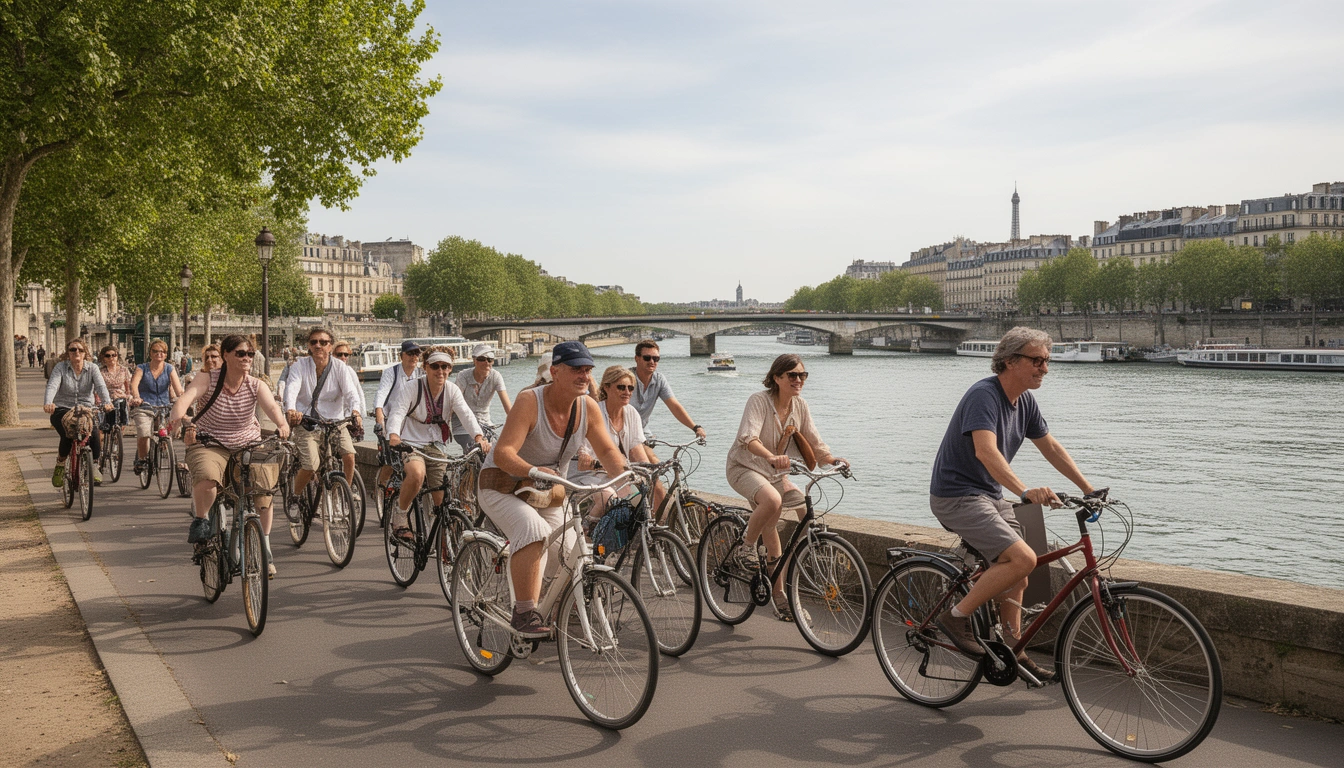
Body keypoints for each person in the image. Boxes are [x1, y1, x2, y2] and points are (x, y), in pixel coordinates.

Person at [928, 327, 1097, 682]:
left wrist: (1088, 487)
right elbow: (985, 451)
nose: (1044, 369)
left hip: (988, 495)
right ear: (1009, 361)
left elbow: (1050, 446)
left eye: (1046, 361)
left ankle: (1013, 651)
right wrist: (1023, 491)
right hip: (956, 495)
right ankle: (955, 618)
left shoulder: (1025, 401)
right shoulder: (983, 395)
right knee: (1022, 558)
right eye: (1036, 361)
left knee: (1020, 572)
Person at [478, 341, 628, 637]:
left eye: (588, 370)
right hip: (502, 485)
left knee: (574, 553)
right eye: (576, 369)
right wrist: (534, 470)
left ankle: (554, 605)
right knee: (533, 531)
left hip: (548, 492)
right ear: (555, 371)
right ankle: (523, 613)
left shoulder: (587, 407)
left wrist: (629, 484)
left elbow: (609, 453)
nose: (584, 376)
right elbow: (504, 453)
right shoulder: (529, 401)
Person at [725, 353, 846, 621]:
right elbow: (749, 438)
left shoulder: (799, 406)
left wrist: (832, 459)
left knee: (804, 511)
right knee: (772, 502)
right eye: (792, 375)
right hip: (745, 467)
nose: (799, 379)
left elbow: (815, 442)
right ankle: (745, 548)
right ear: (777, 377)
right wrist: (769, 457)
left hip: (774, 474)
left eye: (802, 375)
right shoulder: (759, 401)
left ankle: (780, 595)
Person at [170, 335, 290, 576]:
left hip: (247, 443)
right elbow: (187, 397)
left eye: (250, 354)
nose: (246, 358)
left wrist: (282, 424)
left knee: (264, 490)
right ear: (225, 355)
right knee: (207, 477)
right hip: (210, 441)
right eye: (240, 353)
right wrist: (177, 417)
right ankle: (202, 520)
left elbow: (272, 407)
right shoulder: (209, 378)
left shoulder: (255, 384)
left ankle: (264, 545)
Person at [385, 347, 488, 542]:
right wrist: (394, 436)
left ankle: (444, 542)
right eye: (435, 366)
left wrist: (478, 437)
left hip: (436, 445)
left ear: (450, 369)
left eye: (445, 366)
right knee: (416, 474)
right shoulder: (412, 387)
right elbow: (397, 412)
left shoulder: (452, 390)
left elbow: (465, 414)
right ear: (425, 367)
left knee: (443, 500)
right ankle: (400, 515)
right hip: (410, 443)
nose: (440, 371)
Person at [282, 326, 363, 508]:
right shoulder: (299, 366)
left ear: (330, 346)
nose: (318, 346)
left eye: (323, 342)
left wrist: (355, 412)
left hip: (334, 420)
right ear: (309, 346)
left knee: (349, 455)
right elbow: (292, 388)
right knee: (311, 465)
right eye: (314, 342)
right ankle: (294, 495)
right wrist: (292, 409)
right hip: (307, 421)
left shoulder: (340, 367)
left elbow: (351, 394)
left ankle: (344, 494)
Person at [571, 365, 654, 526]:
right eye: (621, 387)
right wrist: (603, 463)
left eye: (631, 388)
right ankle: (588, 530)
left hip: (615, 476)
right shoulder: (594, 413)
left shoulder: (631, 413)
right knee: (608, 498)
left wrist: (651, 471)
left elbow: (638, 453)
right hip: (586, 476)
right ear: (606, 388)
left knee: (639, 496)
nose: (627, 392)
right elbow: (583, 462)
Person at [43, 339, 112, 486]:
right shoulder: (60, 368)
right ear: (68, 353)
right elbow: (52, 385)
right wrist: (48, 402)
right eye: (73, 350)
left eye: (80, 350)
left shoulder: (92, 368)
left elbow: (100, 386)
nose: (76, 353)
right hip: (63, 408)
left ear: (85, 353)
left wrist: (106, 402)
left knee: (93, 433)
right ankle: (61, 465)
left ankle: (94, 465)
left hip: (86, 409)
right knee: (69, 434)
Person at [629, 339, 705, 451]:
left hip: (642, 431)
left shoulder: (659, 380)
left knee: (655, 465)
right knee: (647, 460)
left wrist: (695, 427)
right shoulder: (626, 378)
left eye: (656, 359)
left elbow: (674, 406)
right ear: (637, 358)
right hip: (622, 430)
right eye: (647, 358)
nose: (652, 361)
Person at [373, 340, 423, 491]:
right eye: (410, 353)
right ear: (401, 356)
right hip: (392, 421)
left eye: (416, 353)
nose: (414, 357)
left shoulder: (421, 373)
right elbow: (381, 393)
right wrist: (379, 415)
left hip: (413, 422)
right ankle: (380, 488)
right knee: (390, 460)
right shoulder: (391, 372)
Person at [129, 340, 184, 475]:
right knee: (144, 432)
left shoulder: (169, 368)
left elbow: (178, 389)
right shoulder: (142, 368)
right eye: (155, 351)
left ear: (166, 355)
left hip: (164, 406)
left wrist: (183, 398)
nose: (159, 354)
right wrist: (136, 397)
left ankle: (164, 446)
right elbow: (134, 385)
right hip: (145, 406)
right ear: (150, 353)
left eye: (162, 352)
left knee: (170, 430)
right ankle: (142, 459)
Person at [452, 344, 511, 453]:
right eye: (482, 359)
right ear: (474, 360)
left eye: (490, 360)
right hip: (462, 426)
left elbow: (508, 408)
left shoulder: (496, 376)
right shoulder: (463, 376)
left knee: (498, 452)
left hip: (485, 424)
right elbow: (454, 403)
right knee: (475, 449)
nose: (487, 363)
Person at [96, 345, 133, 434]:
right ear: (103, 358)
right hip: (106, 397)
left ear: (117, 356)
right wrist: (98, 400)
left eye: (114, 355)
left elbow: (128, 386)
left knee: (122, 405)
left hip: (121, 396)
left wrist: (129, 396)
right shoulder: (100, 371)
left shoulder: (124, 370)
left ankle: (119, 430)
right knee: (105, 421)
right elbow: (97, 388)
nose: (111, 358)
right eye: (108, 356)